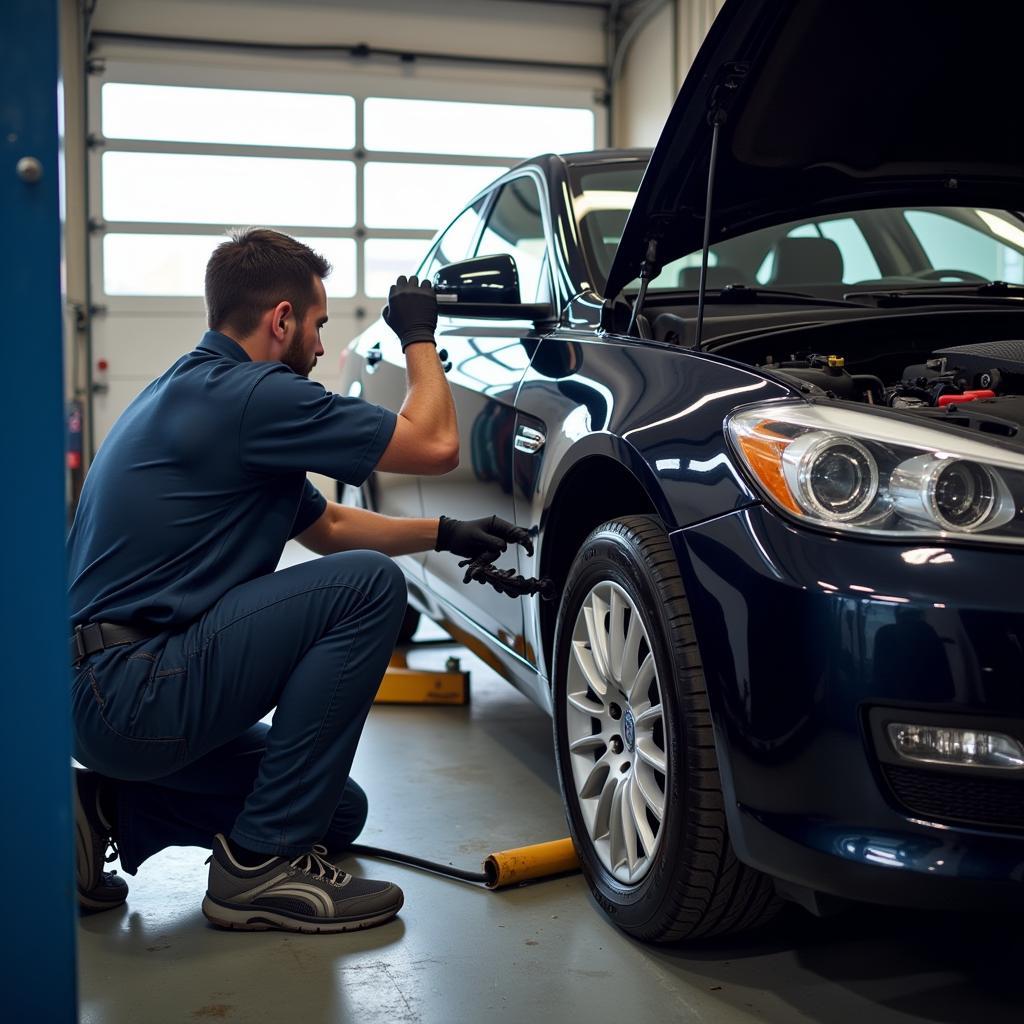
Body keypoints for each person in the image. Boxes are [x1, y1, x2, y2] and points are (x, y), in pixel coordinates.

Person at [67, 228, 532, 934]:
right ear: (280, 320)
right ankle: (258, 867)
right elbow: (435, 444)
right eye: (316, 326)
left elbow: (332, 528)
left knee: (338, 812)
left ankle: (104, 807)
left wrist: (443, 533)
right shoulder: (257, 396)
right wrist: (418, 337)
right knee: (369, 587)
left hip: (99, 696)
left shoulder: (197, 392)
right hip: (132, 689)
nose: (319, 347)